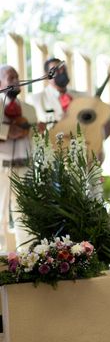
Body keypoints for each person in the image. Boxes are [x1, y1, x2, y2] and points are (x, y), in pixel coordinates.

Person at [27, 57, 110, 162]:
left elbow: (101, 124)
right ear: (47, 74)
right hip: (52, 160)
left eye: (63, 68)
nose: (61, 72)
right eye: (56, 70)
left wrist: (96, 139)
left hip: (84, 157)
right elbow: (31, 133)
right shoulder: (36, 100)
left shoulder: (84, 97)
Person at [0, 65, 37, 251]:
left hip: (24, 166)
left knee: (25, 213)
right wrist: (8, 131)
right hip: (1, 167)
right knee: (0, 214)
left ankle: (27, 255)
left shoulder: (29, 108)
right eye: (10, 77)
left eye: (17, 76)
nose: (15, 80)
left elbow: (34, 136)